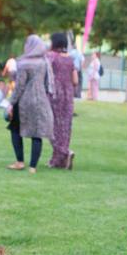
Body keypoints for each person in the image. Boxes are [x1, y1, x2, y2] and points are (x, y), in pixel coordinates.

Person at [6, 34, 54, 174]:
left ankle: (20, 161)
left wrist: (11, 103)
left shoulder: (24, 63)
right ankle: (33, 167)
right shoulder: (45, 62)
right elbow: (47, 83)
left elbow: (19, 86)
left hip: (24, 101)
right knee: (37, 133)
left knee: (15, 129)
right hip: (41, 100)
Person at [46, 31, 77, 170]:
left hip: (54, 95)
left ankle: (65, 152)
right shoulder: (70, 59)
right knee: (64, 128)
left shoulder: (51, 56)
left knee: (50, 127)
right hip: (68, 96)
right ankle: (58, 160)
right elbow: (75, 80)